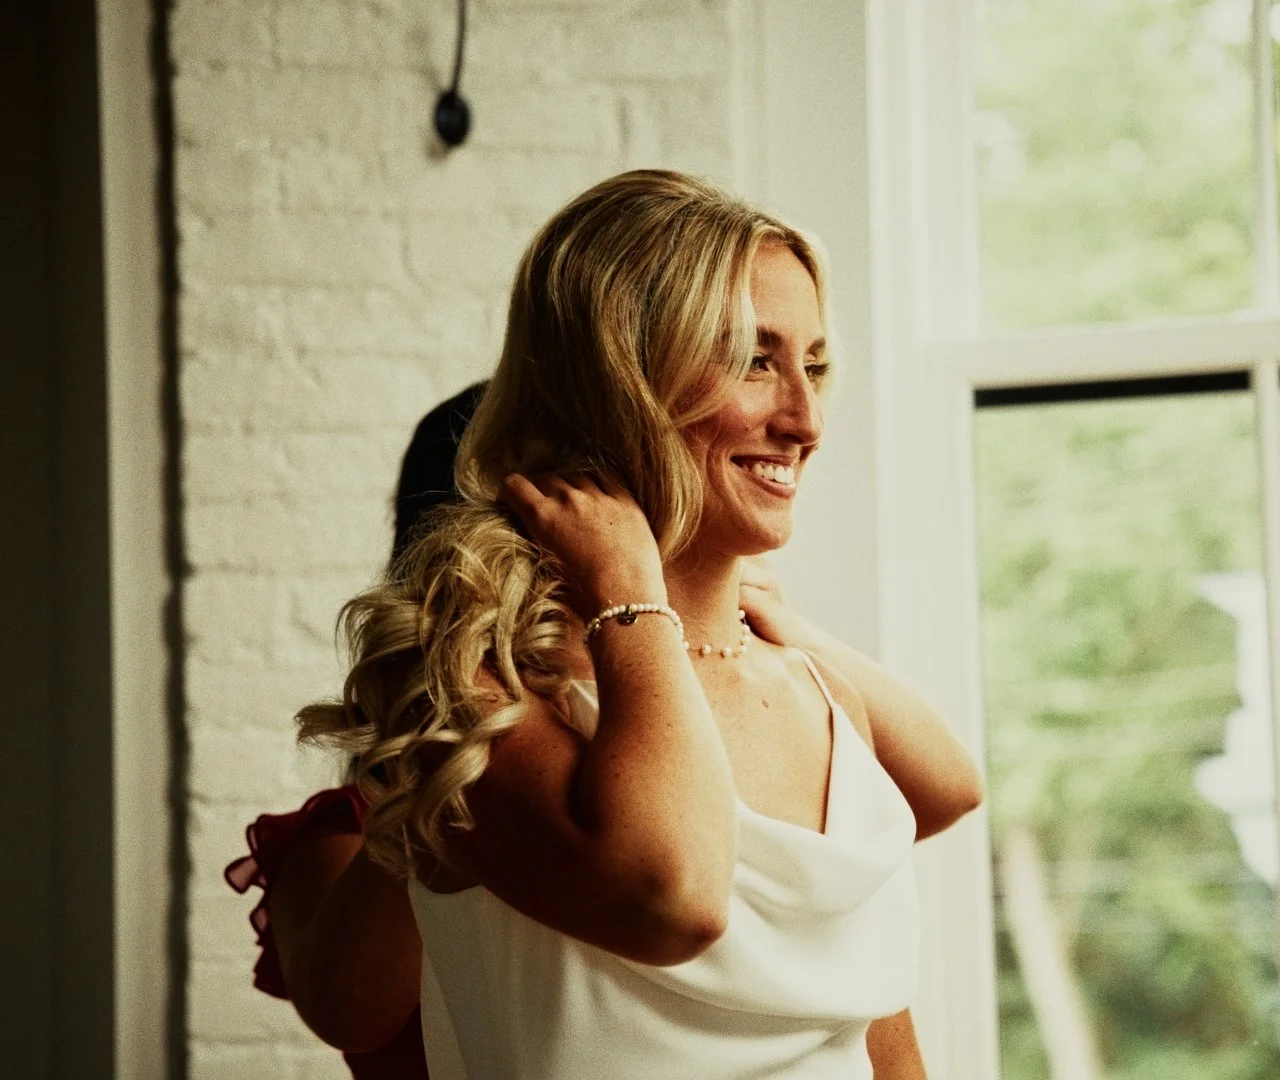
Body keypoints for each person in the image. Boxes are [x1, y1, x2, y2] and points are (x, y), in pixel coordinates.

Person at [294, 169, 982, 1079]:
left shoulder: (820, 697)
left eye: (813, 365)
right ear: (622, 379)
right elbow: (674, 898)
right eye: (752, 358)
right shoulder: (481, 697)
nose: (807, 419)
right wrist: (629, 587)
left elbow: (878, 1039)